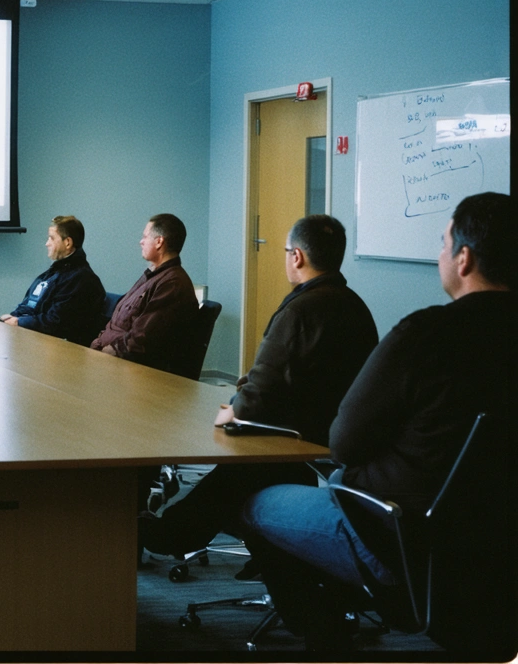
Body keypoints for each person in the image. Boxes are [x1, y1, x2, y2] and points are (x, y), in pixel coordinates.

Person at [240, 193, 514, 653]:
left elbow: (343, 442)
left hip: (399, 536)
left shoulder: (427, 334)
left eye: (444, 244)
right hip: (497, 546)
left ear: (464, 259)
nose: (440, 255)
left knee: (254, 504)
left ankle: (326, 633)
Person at [139, 215, 377, 557]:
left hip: (290, 433)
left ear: (296, 256)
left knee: (234, 468)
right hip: (332, 432)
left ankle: (167, 534)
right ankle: (259, 550)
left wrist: (234, 411)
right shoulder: (356, 307)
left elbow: (263, 386)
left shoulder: (300, 310)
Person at [91, 213, 199, 375]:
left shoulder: (172, 283)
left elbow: (141, 339)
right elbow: (118, 320)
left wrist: (100, 355)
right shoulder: (153, 276)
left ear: (159, 242)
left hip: (134, 371)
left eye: (145, 237)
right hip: (113, 360)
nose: (141, 241)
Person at [0, 215, 105, 345]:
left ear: (67, 243)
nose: (47, 243)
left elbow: (55, 322)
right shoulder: (52, 274)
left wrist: (19, 322)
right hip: (35, 340)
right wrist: (14, 317)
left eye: (52, 238)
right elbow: (29, 304)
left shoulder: (81, 280)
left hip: (60, 350)